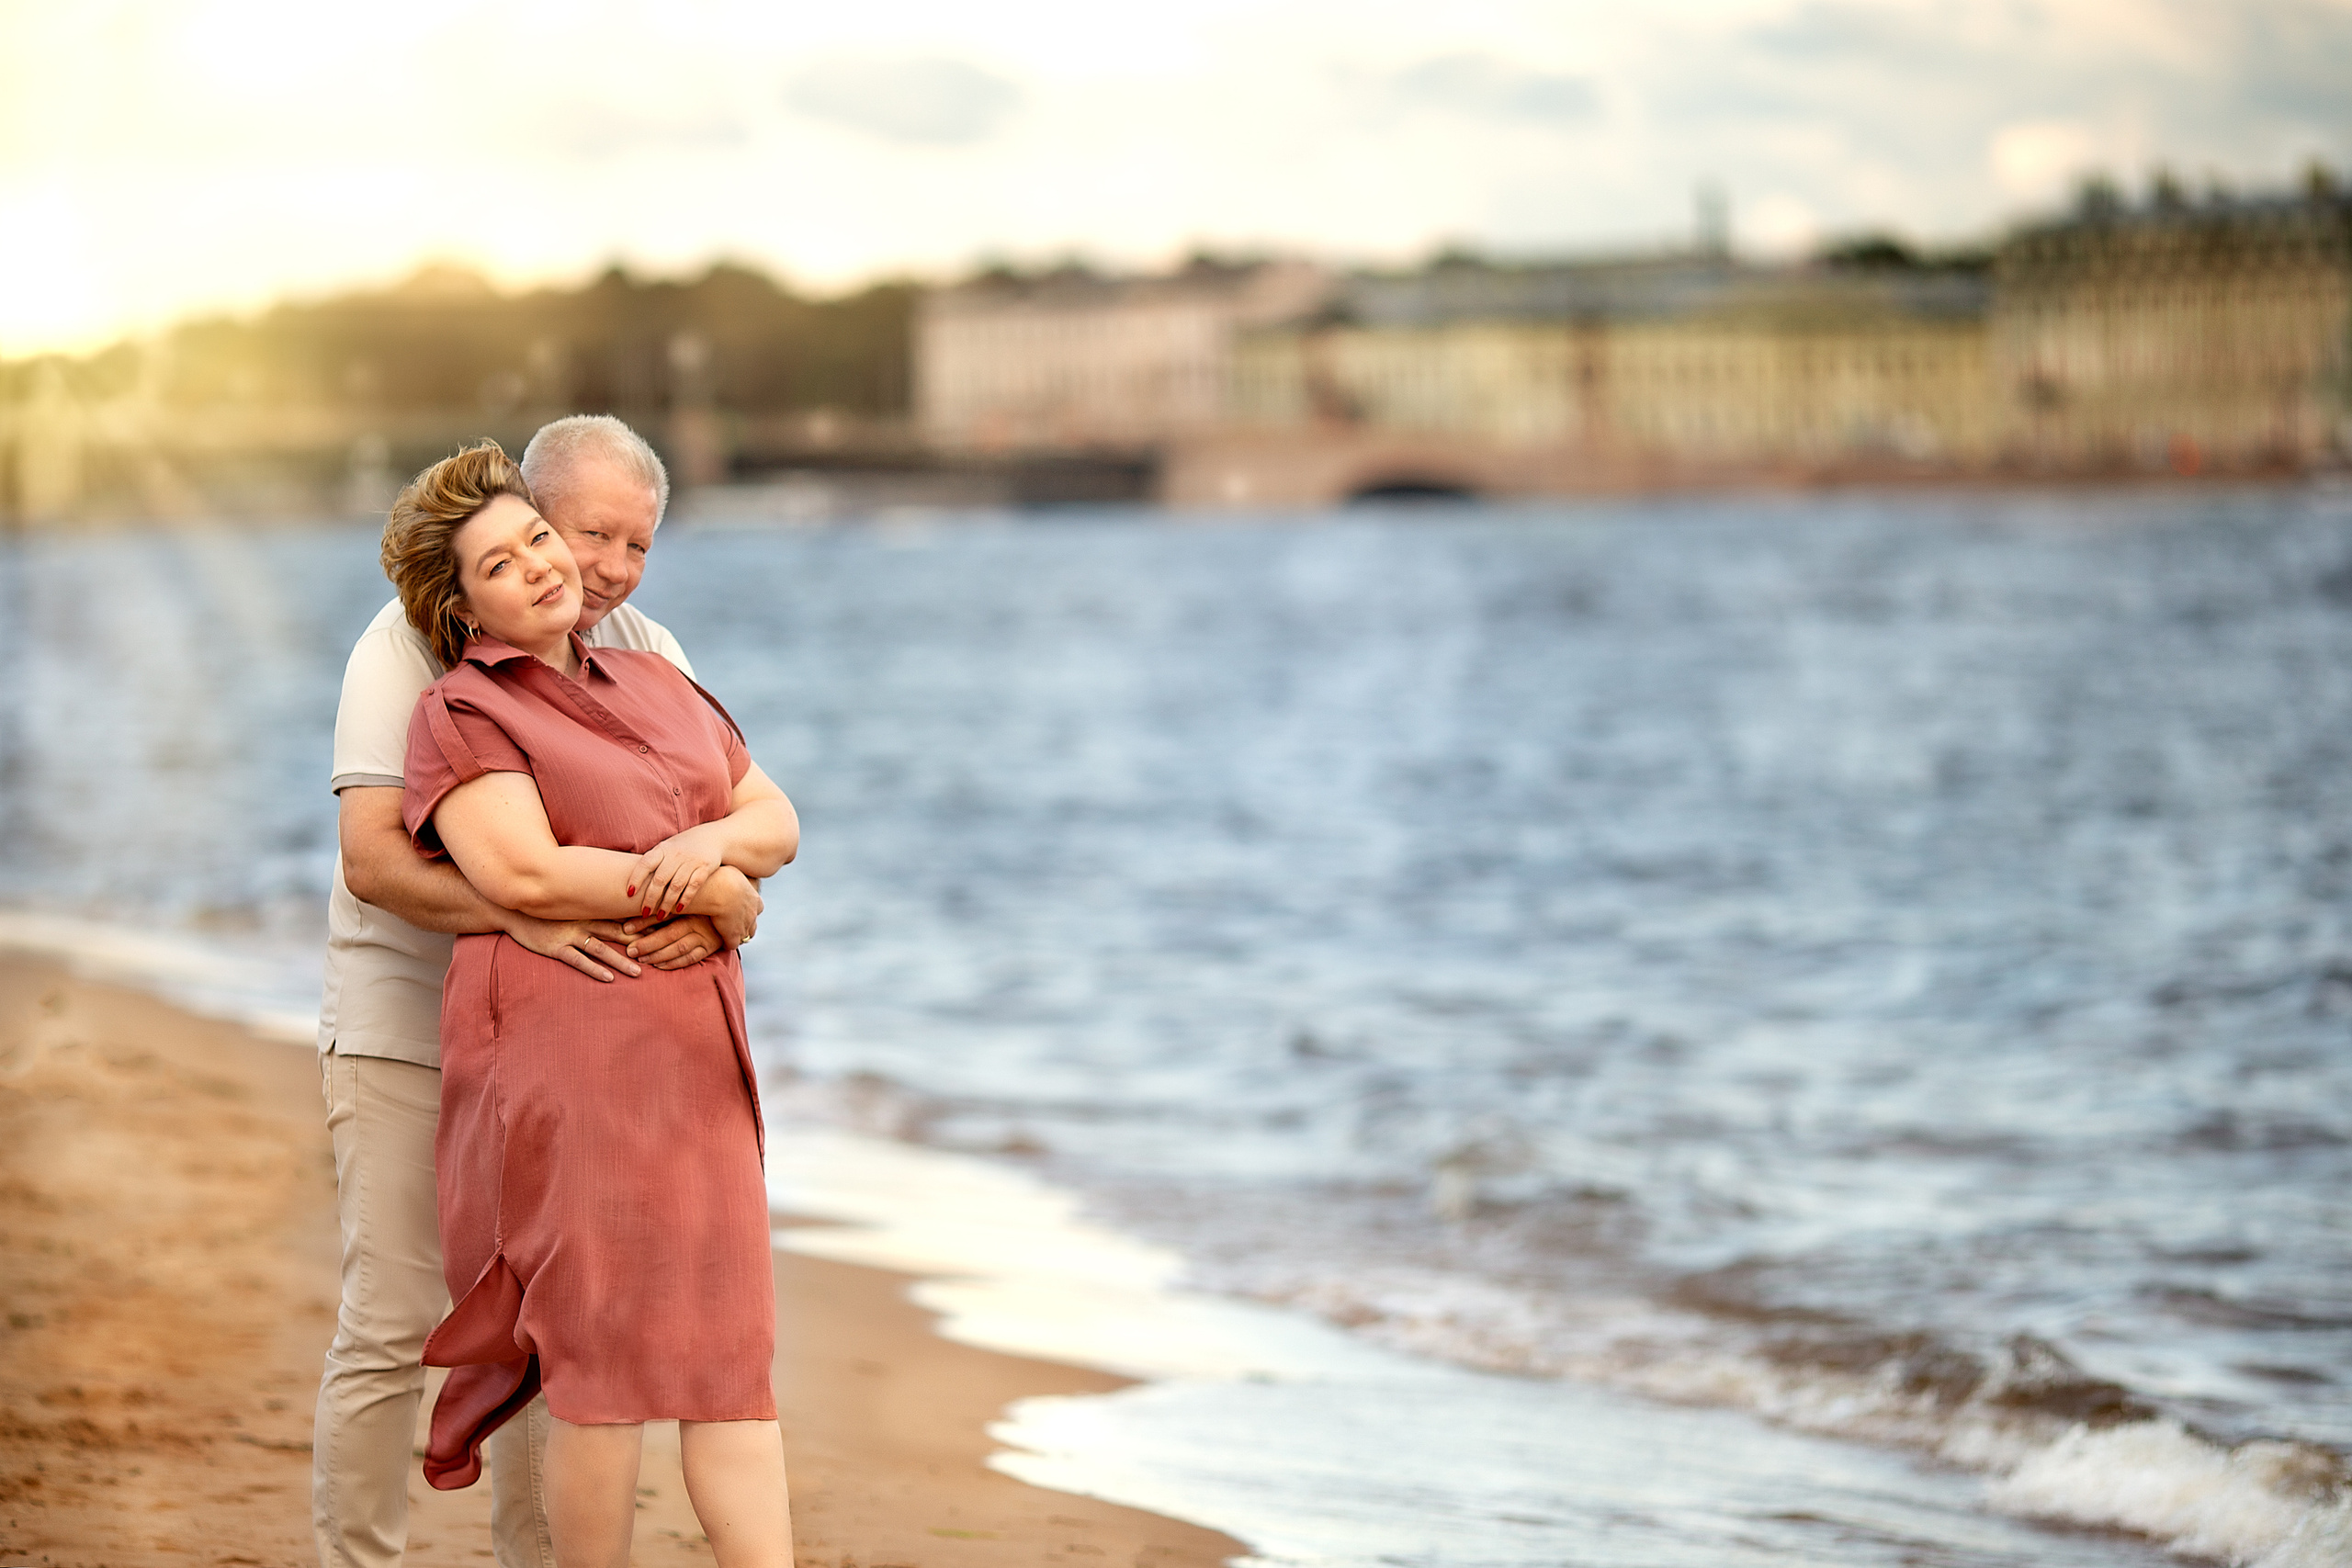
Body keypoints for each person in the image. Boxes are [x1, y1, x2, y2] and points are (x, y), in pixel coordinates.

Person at [314, 415, 745, 1568]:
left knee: (561, 1337)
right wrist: (522, 907)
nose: (605, 569)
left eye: (637, 545)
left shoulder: (645, 647)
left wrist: (731, 898)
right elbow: (373, 859)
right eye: (588, 533)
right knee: (399, 1324)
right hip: (407, 1033)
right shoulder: (407, 648)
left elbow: (716, 836)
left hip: (572, 1057)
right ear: (528, 512)